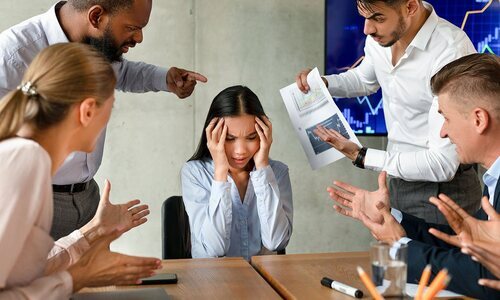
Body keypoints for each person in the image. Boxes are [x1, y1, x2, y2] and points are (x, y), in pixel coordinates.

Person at [0, 0, 208, 239]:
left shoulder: (99, 43)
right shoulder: (12, 55)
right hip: (33, 201)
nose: (139, 38)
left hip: (89, 198)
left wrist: (164, 78)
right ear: (96, 16)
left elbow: (121, 71)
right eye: (132, 27)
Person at [327, 53, 500, 298]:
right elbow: (469, 249)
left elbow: (485, 274)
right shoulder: (494, 179)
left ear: (479, 119)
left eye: (446, 118)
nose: (442, 132)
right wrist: (393, 219)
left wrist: (402, 248)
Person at [295, 0, 481, 224]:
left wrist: (361, 156)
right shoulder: (381, 37)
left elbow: (442, 164)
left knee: (430, 259)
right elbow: (365, 79)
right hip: (395, 178)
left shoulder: (451, 51)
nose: (367, 29)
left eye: (378, 18)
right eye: (365, 17)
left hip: (441, 191)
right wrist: (324, 83)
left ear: (410, 7)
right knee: (394, 258)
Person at [0, 43, 161, 299]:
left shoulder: (26, 157)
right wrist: (82, 277)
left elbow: (21, 274)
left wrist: (94, 230)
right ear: (87, 111)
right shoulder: (25, 159)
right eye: (112, 104)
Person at [181, 86, 293, 260]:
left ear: (264, 134)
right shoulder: (194, 173)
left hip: (260, 282)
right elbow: (214, 249)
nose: (240, 151)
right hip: (211, 283)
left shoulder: (277, 172)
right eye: (230, 139)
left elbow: (276, 242)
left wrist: (263, 167)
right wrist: (220, 173)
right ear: (212, 135)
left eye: (250, 138)